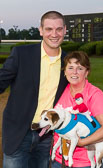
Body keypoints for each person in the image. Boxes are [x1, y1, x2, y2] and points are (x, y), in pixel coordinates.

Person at [0, 11, 68, 168]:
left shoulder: (69, 61)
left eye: (58, 29)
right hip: (18, 132)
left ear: (65, 30)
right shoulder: (21, 54)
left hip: (48, 136)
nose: (54, 34)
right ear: (41, 30)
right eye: (49, 29)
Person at [51, 51, 103, 168]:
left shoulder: (94, 94)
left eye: (80, 68)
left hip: (84, 163)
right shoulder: (60, 90)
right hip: (59, 160)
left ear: (87, 72)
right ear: (64, 71)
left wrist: (81, 143)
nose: (74, 72)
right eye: (70, 67)